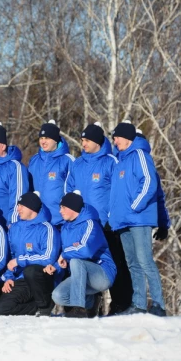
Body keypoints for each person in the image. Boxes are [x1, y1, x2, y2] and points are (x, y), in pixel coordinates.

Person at [64, 121, 131, 314]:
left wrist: (112, 218)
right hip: (83, 225)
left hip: (106, 225)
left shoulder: (111, 162)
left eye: (86, 140)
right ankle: (89, 305)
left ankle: (120, 305)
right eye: (82, 140)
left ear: (97, 141)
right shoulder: (77, 163)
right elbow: (68, 191)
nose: (83, 143)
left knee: (115, 264)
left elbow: (120, 192)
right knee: (85, 263)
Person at [109, 121, 167, 316]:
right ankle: (139, 304)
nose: (114, 141)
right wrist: (113, 215)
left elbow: (149, 182)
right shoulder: (120, 161)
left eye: (116, 137)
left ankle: (159, 304)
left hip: (139, 219)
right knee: (132, 263)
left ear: (126, 137)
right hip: (123, 221)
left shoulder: (140, 155)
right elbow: (116, 194)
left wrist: (135, 206)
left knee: (145, 261)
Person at [48, 191, 116, 318]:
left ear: (73, 208)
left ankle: (79, 308)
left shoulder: (90, 224)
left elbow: (86, 251)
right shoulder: (66, 228)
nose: (60, 211)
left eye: (63, 207)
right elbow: (66, 256)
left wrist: (65, 254)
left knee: (75, 261)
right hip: (81, 275)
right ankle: (91, 302)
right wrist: (56, 266)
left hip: (103, 273)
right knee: (58, 295)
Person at [0, 191, 60, 316]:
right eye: (18, 205)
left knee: (30, 271)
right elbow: (11, 258)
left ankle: (45, 305)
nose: (18, 209)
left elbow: (48, 258)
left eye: (21, 206)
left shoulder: (46, 228)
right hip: (22, 279)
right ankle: (37, 307)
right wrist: (9, 277)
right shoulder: (14, 228)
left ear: (32, 207)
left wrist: (20, 261)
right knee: (1, 308)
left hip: (43, 278)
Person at [28, 120, 75, 225]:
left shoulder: (67, 160)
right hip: (37, 220)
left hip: (59, 220)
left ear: (55, 140)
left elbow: (73, 189)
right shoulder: (34, 160)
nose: (43, 141)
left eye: (47, 138)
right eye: (41, 138)